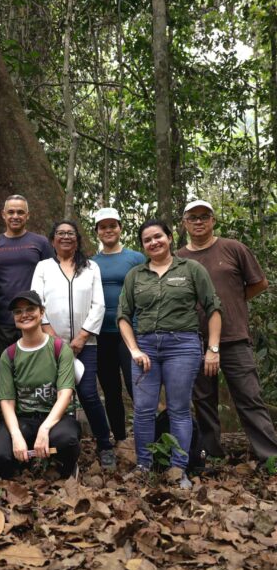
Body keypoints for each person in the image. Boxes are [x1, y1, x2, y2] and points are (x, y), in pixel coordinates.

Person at [117, 219, 222, 489]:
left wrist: (213, 349)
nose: (154, 242)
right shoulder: (136, 276)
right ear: (143, 246)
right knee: (142, 410)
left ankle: (179, 469)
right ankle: (143, 466)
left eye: (158, 237)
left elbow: (213, 308)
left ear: (170, 237)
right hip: (146, 348)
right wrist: (134, 349)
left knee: (179, 409)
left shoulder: (191, 269)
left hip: (182, 346)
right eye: (147, 240)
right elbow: (123, 316)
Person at [177, 200, 277, 462]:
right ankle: (212, 456)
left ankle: (270, 458)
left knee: (249, 397)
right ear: (184, 223)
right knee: (204, 401)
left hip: (234, 337)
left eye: (204, 216)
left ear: (213, 220)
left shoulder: (233, 248)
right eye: (193, 217)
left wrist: (231, 301)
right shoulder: (178, 258)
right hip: (194, 340)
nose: (199, 221)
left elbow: (259, 283)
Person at [31, 220, 116, 470]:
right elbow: (37, 301)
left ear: (77, 239)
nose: (65, 237)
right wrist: (53, 337)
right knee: (51, 395)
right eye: (60, 233)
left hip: (86, 344)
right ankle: (49, 446)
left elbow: (99, 305)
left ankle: (105, 445)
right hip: (51, 344)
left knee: (88, 393)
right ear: (53, 239)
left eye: (70, 233)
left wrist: (81, 338)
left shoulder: (91, 267)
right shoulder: (44, 267)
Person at [0, 291, 81, 478]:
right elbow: (7, 401)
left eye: (30, 309)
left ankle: (64, 469)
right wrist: (16, 435)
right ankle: (21, 468)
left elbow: (65, 394)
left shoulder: (59, 348)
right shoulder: (9, 355)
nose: (24, 314)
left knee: (66, 440)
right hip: (23, 419)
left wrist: (45, 428)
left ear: (41, 312)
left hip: (55, 418)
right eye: (18, 312)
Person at [91, 208, 145, 443]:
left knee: (138, 387)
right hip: (101, 333)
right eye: (103, 226)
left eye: (112, 225)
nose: (108, 230)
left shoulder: (135, 258)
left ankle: (149, 438)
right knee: (111, 389)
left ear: (120, 228)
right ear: (97, 232)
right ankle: (121, 439)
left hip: (131, 333)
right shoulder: (91, 263)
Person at [0, 195, 54, 370]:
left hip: (34, 318)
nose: (16, 216)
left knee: (36, 370)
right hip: (3, 319)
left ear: (27, 215)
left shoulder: (40, 243)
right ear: (3, 215)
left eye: (20, 212)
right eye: (11, 212)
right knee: (5, 369)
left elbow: (51, 277)